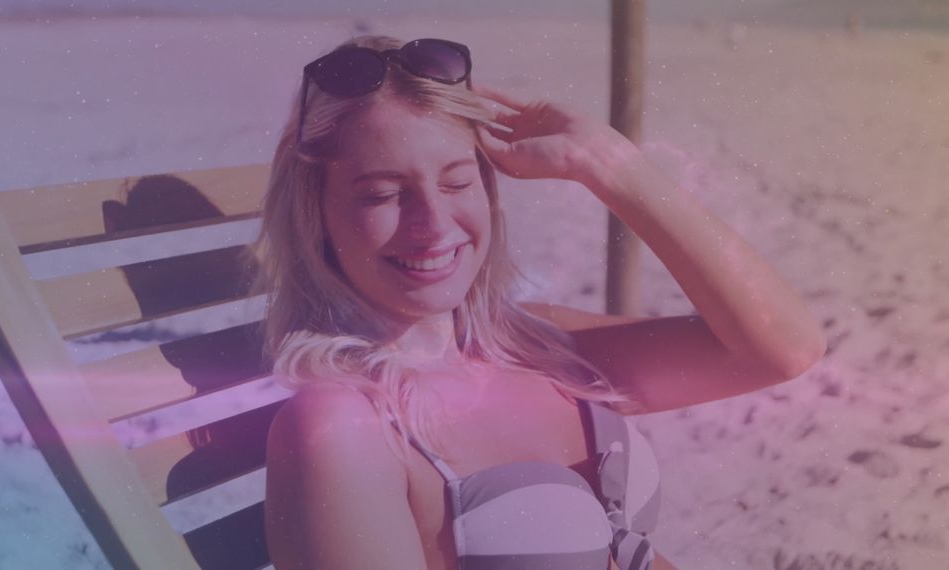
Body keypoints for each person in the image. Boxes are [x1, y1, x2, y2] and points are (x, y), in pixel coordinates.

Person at [252, 35, 827, 570]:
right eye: (382, 194)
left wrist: (609, 165)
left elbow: (784, 348)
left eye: (456, 182)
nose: (434, 225)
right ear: (314, 217)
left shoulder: (537, 344)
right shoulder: (342, 425)